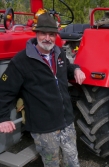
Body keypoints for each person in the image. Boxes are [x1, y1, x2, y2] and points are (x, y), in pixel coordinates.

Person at [0, 12, 86, 167]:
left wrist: (76, 69)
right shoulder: (22, 60)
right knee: (51, 163)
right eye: (43, 34)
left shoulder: (59, 53)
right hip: (44, 128)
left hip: (66, 121)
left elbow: (66, 67)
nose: (48, 38)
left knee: (72, 161)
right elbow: (4, 91)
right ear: (37, 34)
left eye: (52, 34)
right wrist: (3, 118)